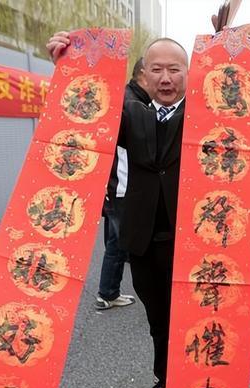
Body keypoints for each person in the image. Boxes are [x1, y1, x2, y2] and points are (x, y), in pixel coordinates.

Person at [47, 33, 188, 388]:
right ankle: (165, 379)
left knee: (196, 317)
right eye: (156, 69)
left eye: (174, 69)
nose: (165, 78)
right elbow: (83, 113)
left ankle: (198, 382)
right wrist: (67, 68)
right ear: (144, 74)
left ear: (188, 73)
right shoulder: (129, 114)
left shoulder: (205, 115)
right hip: (143, 239)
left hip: (194, 241)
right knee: (158, 318)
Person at [95, 58, 151, 311]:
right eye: (156, 71)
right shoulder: (131, 103)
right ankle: (109, 293)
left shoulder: (130, 99)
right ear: (143, 74)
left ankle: (108, 292)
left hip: (115, 186)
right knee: (123, 242)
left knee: (115, 242)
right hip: (121, 187)